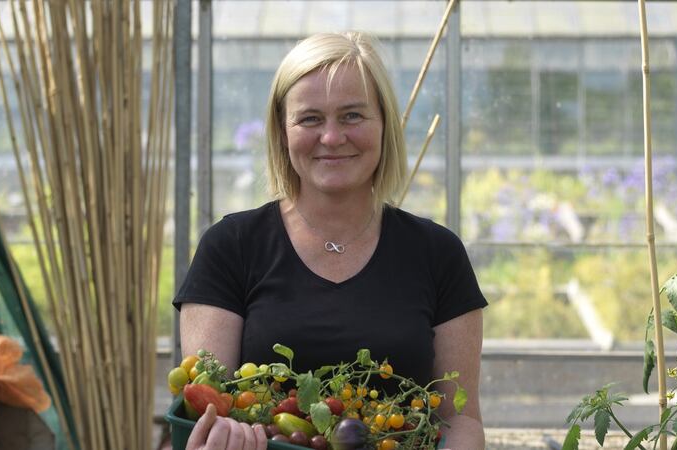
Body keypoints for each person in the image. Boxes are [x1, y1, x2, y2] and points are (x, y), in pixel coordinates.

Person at [174, 31, 487, 450]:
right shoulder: (230, 247)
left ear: (384, 125)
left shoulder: (438, 254)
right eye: (310, 118)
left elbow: (459, 419)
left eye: (353, 115)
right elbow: (204, 403)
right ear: (282, 132)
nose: (332, 137)